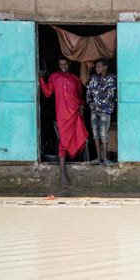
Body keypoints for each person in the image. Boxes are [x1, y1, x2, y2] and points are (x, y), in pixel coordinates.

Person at [40, 56, 89, 188]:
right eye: (61, 65)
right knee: (63, 144)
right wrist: (41, 78)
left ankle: (78, 167)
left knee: (81, 140)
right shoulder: (54, 77)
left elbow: (80, 97)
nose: (63, 67)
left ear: (69, 64)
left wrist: (82, 106)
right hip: (62, 115)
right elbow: (47, 92)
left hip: (75, 114)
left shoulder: (75, 78)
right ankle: (63, 176)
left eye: (65, 64)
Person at [86, 58, 117, 166]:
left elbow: (112, 95)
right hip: (94, 110)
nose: (96, 68)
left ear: (105, 67)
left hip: (105, 111)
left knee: (104, 135)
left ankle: (105, 158)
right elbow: (89, 91)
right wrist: (90, 103)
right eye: (96, 66)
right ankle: (98, 158)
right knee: (95, 134)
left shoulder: (112, 78)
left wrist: (109, 106)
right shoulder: (94, 78)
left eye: (99, 66)